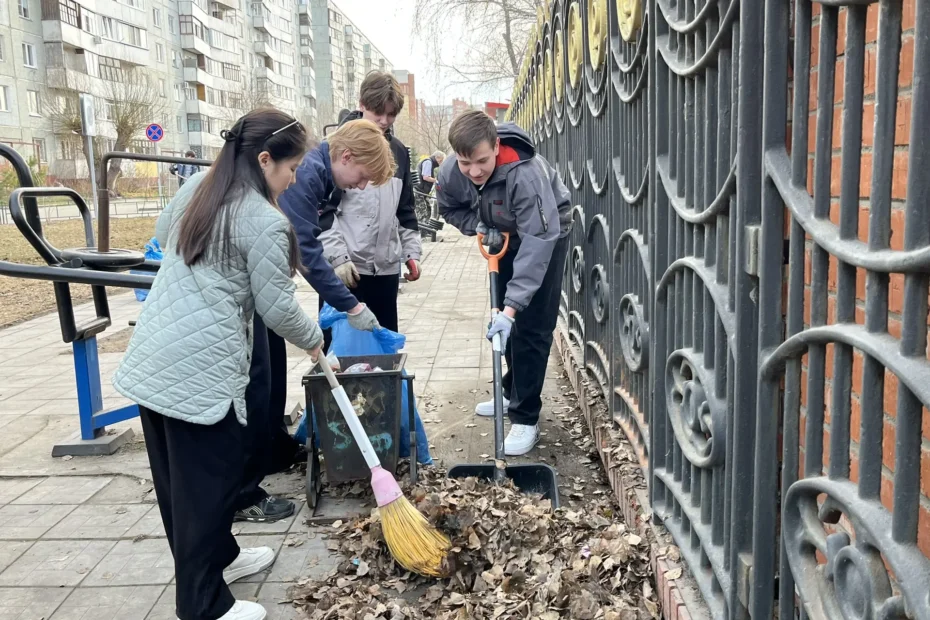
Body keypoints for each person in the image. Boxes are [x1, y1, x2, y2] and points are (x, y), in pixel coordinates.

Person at [112, 108, 327, 620]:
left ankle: (221, 559)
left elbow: (165, 234)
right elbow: (277, 308)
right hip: (199, 375)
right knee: (209, 487)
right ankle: (204, 606)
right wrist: (318, 343)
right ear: (265, 159)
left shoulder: (202, 189)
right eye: (291, 167)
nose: (294, 178)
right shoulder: (264, 219)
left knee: (179, 487)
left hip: (154, 361)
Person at [233, 118, 397, 523]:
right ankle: (247, 484)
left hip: (260, 282)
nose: (360, 186)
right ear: (345, 157)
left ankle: (273, 447)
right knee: (255, 378)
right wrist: (350, 306)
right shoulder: (306, 175)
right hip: (247, 291)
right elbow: (306, 251)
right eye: (361, 177)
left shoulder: (321, 176)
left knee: (268, 372)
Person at [436, 110, 572, 456]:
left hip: (545, 235)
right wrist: (478, 225)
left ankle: (525, 417)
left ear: (496, 146)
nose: (475, 171)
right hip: (502, 238)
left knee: (530, 327)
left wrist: (512, 310)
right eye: (466, 163)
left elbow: (539, 241)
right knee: (505, 325)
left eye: (482, 160)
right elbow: (448, 208)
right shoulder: (453, 171)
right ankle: (511, 392)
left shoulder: (525, 175)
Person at [317, 71, 421, 344]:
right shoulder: (337, 148)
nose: (384, 121)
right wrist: (338, 258)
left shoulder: (398, 151)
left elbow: (405, 209)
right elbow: (322, 212)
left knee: (383, 350)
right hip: (346, 271)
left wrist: (411, 253)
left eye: (391, 115)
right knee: (341, 351)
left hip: (385, 271)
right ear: (361, 103)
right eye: (378, 112)